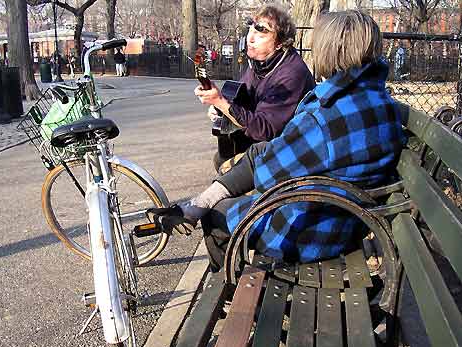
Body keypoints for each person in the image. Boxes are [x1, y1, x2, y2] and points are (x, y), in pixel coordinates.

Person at [147, 10, 406, 272]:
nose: (252, 35)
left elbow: (267, 175)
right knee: (251, 157)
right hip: (347, 216)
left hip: (312, 229)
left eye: (261, 30)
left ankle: (232, 288)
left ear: (331, 50)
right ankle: (197, 205)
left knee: (218, 216)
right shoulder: (382, 103)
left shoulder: (328, 115)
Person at [195, 5, 315, 171]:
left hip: (287, 154)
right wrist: (219, 107)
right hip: (260, 146)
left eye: (261, 31)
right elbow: (241, 100)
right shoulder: (259, 65)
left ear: (279, 42)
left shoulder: (291, 75)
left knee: (227, 167)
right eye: (251, 28)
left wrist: (221, 102)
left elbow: (264, 129)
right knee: (222, 157)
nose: (250, 37)